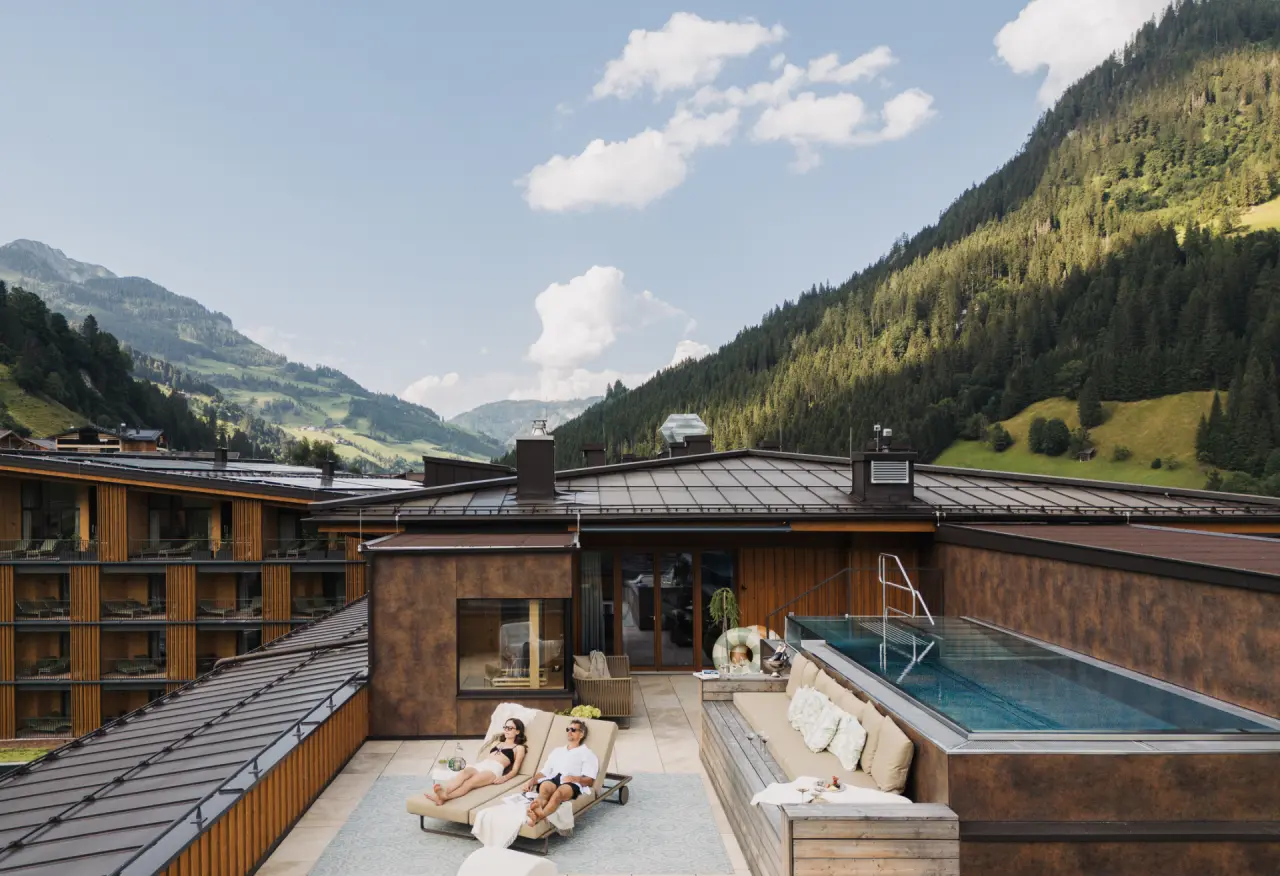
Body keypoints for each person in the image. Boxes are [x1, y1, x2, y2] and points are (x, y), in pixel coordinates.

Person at [424, 718, 527, 805]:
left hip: (494, 769)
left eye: (510, 728)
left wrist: (504, 778)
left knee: (470, 782)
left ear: (517, 731)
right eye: (505, 727)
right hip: (483, 764)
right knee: (464, 773)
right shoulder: (497, 743)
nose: (506, 730)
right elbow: (488, 757)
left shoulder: (518, 748)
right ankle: (442, 795)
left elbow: (515, 770)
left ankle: (445, 796)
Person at [523, 718, 598, 827]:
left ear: (581, 734)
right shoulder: (557, 751)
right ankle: (536, 807)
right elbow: (544, 772)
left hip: (572, 782)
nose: (569, 731)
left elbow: (590, 781)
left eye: (573, 729)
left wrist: (574, 779)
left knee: (558, 794)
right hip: (555, 778)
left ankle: (539, 816)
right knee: (544, 788)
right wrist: (531, 781)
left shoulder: (587, 754)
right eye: (568, 729)